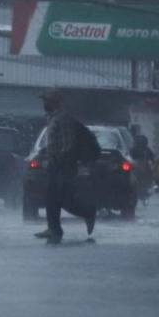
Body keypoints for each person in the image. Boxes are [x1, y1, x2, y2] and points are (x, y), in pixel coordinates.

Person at [34, 90, 97, 243]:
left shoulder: (63, 119)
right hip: (56, 163)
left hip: (63, 164)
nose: (44, 104)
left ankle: (88, 213)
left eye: (47, 101)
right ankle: (54, 229)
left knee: (63, 198)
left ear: (55, 102)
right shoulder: (53, 118)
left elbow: (68, 144)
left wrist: (59, 160)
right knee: (52, 197)